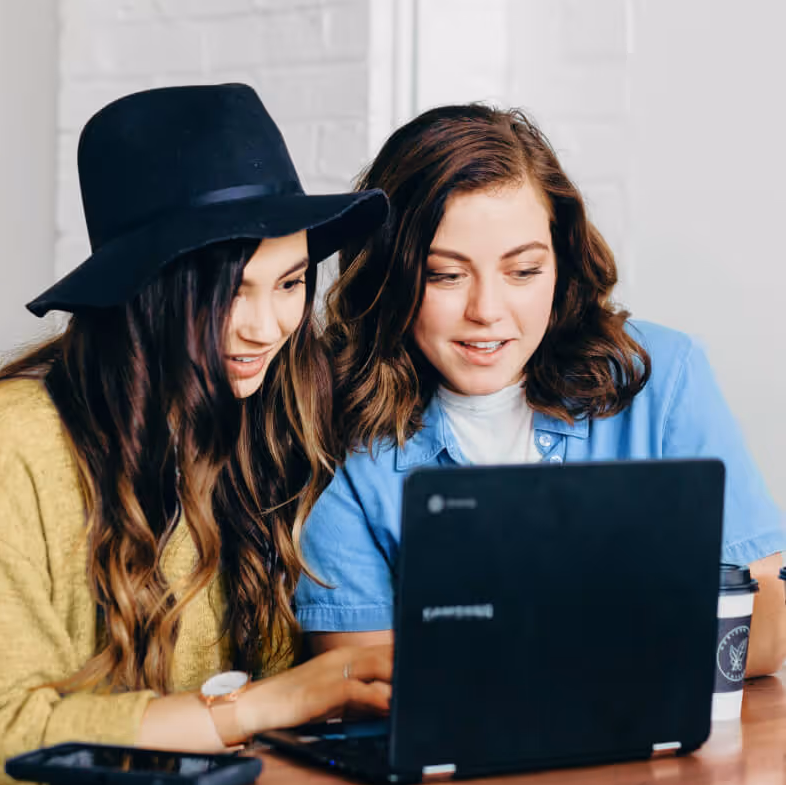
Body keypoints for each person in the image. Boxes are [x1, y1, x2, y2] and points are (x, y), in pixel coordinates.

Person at [0, 84, 392, 785]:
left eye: (290, 283)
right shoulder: (10, 444)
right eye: (229, 292)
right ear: (148, 290)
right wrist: (263, 704)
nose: (266, 327)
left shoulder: (265, 423)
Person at [296, 103, 786, 678]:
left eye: (523, 271)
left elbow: (768, 624)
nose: (487, 311)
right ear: (390, 275)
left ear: (562, 263)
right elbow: (356, 673)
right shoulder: (336, 423)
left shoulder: (661, 375)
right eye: (445, 275)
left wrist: (529, 656)